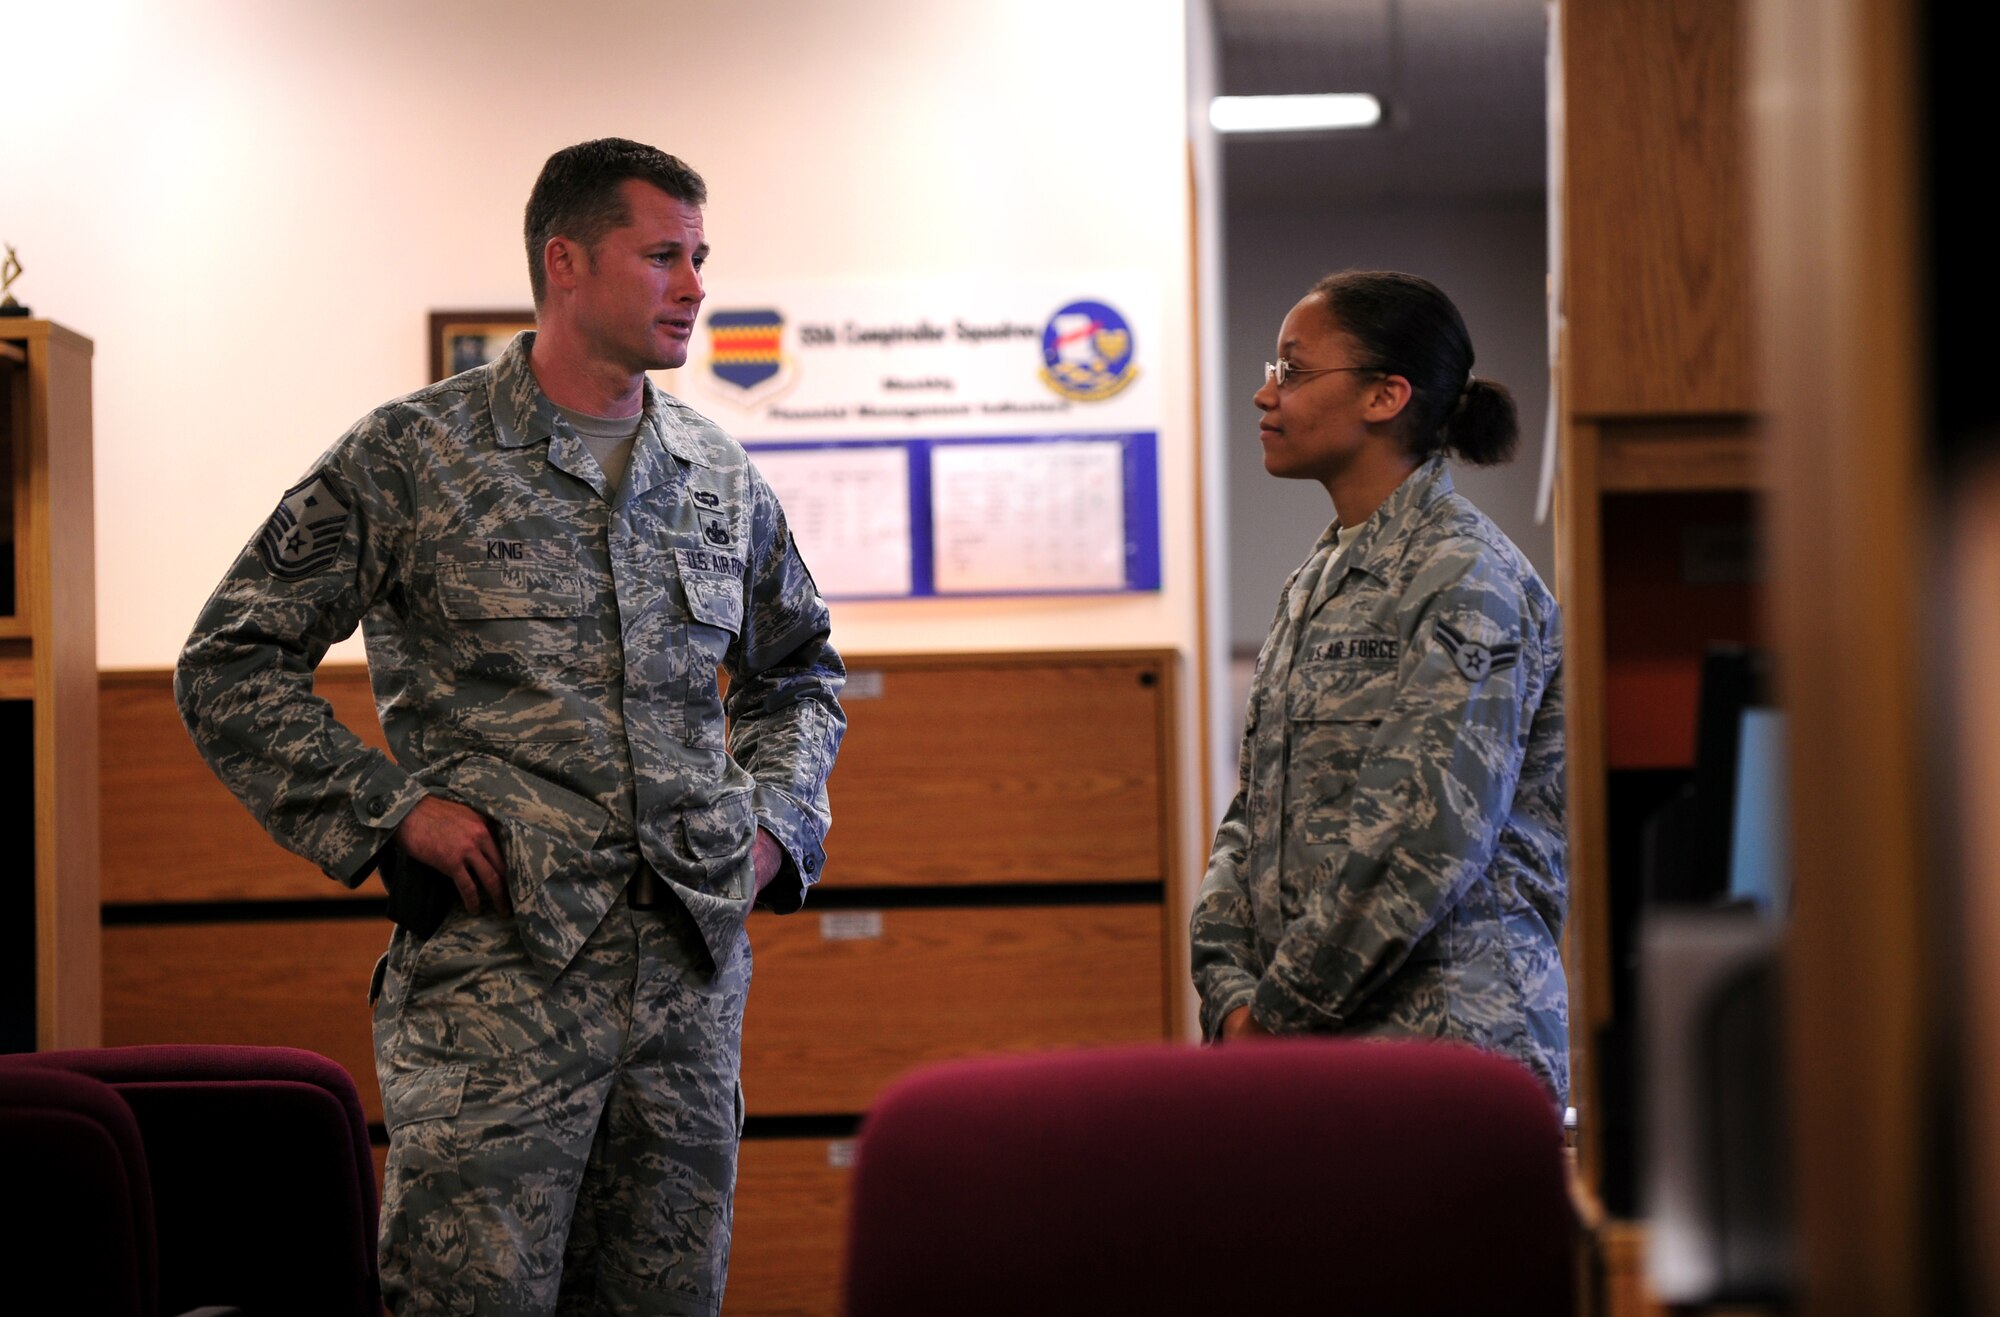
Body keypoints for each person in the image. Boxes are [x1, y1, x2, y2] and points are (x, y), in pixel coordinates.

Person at [176, 138, 846, 1315]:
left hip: (684, 999)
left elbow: (800, 675)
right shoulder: (411, 456)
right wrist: (389, 813)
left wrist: (771, 833)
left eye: (700, 257)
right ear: (566, 261)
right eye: (662, 256)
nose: (693, 286)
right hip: (499, 987)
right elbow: (230, 661)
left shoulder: (715, 473)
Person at [1190, 269, 1567, 1105]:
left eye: (1292, 369)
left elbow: (1422, 840)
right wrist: (1230, 999)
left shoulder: (1464, 574)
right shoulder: (1318, 578)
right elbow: (1250, 820)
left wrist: (1274, 1019)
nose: (1264, 393)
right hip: (1314, 1051)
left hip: (1445, 1053)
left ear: (1386, 395)